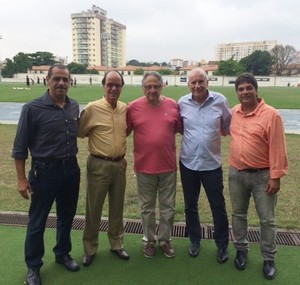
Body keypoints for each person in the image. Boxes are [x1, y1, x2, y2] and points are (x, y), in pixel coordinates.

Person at [12, 64, 81, 285]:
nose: (61, 83)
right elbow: (20, 148)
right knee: (37, 221)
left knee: (66, 216)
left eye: (65, 79)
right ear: (47, 80)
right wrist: (22, 179)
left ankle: (62, 253)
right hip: (44, 171)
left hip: (71, 170)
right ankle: (33, 266)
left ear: (70, 82)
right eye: (57, 79)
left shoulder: (73, 106)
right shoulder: (32, 109)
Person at [228, 73, 288, 280]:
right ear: (237, 92)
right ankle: (241, 250)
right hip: (237, 173)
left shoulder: (272, 115)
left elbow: (278, 148)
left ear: (256, 90)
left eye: (248, 88)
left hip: (263, 176)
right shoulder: (234, 112)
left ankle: (269, 258)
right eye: (241, 89)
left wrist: (275, 176)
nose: (245, 92)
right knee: (238, 215)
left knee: (267, 220)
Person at [127, 71, 182, 258]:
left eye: (156, 86)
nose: (152, 90)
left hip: (168, 167)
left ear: (162, 86)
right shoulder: (133, 108)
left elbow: (177, 129)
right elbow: (125, 131)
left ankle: (165, 240)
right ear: (143, 88)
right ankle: (149, 240)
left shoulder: (173, 105)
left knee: (168, 208)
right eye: (148, 86)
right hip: (144, 168)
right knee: (147, 208)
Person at [178, 68, 231, 263]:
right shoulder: (182, 103)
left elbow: (228, 126)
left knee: (218, 205)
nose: (197, 85)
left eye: (201, 81)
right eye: (194, 82)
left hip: (211, 164)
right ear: (188, 84)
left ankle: (222, 244)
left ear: (207, 82)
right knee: (190, 206)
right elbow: (180, 128)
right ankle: (194, 240)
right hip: (188, 163)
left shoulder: (220, 101)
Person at [78, 70, 129, 266]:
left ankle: (117, 244)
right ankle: (90, 248)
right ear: (103, 86)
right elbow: (81, 132)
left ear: (122, 87)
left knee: (117, 208)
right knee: (94, 209)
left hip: (120, 164)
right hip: (98, 163)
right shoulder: (92, 108)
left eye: (117, 85)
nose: (114, 88)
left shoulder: (124, 108)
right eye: (110, 84)